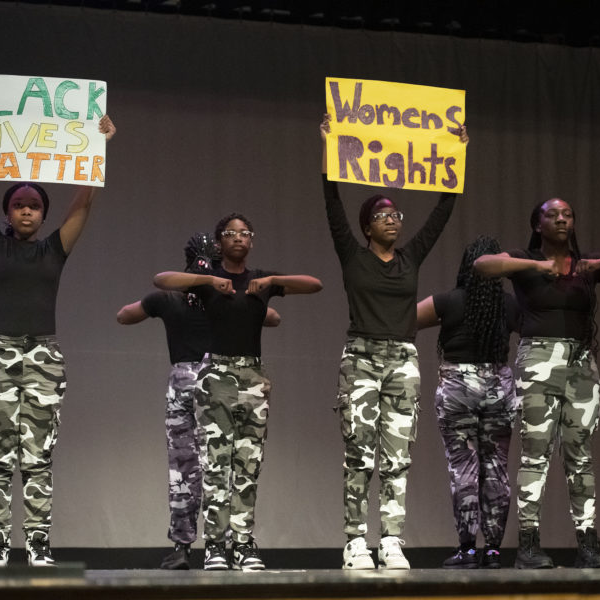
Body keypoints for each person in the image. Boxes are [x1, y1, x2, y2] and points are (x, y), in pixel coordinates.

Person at [0, 116, 116, 568]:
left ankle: (37, 546)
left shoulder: (54, 249)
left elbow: (82, 204)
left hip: (43, 356)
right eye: (18, 204)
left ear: (44, 214)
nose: (26, 211)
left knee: (38, 456)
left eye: (34, 205)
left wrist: (99, 146)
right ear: (7, 212)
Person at [320, 114, 467, 570]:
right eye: (382, 216)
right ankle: (354, 541)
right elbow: (332, 205)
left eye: (396, 215)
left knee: (397, 454)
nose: (392, 221)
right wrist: (328, 153)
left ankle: (392, 539)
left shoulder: (410, 258)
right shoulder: (353, 255)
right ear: (367, 226)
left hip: (402, 358)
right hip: (361, 357)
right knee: (359, 452)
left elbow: (442, 214)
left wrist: (457, 160)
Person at [474, 198, 600, 569]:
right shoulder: (525, 259)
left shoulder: (587, 263)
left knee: (581, 455)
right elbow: (483, 265)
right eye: (552, 215)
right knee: (535, 452)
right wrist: (535, 265)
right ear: (538, 224)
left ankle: (588, 541)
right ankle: (528, 543)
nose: (561, 219)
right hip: (538, 360)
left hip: (581, 363)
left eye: (567, 214)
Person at [154, 213, 322, 571]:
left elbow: (315, 284)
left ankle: (243, 544)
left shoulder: (260, 279)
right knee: (216, 466)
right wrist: (208, 280)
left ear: (252, 240)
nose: (238, 238)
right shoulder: (208, 283)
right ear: (219, 242)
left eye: (245, 233)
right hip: (216, 375)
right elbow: (161, 279)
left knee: (247, 466)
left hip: (253, 377)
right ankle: (216, 545)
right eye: (231, 233)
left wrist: (273, 280)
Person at [116, 232, 280, 569]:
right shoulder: (223, 296)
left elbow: (123, 315)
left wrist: (156, 304)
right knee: (232, 462)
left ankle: (183, 546)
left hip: (185, 381)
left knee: (185, 467)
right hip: (222, 377)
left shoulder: (171, 297)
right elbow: (274, 318)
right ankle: (232, 544)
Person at [416, 235, 521, 569]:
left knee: (463, 469)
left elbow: (401, 319)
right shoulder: (509, 305)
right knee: (496, 469)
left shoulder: (447, 301)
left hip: (458, 385)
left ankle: (466, 548)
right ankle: (492, 549)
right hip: (498, 384)